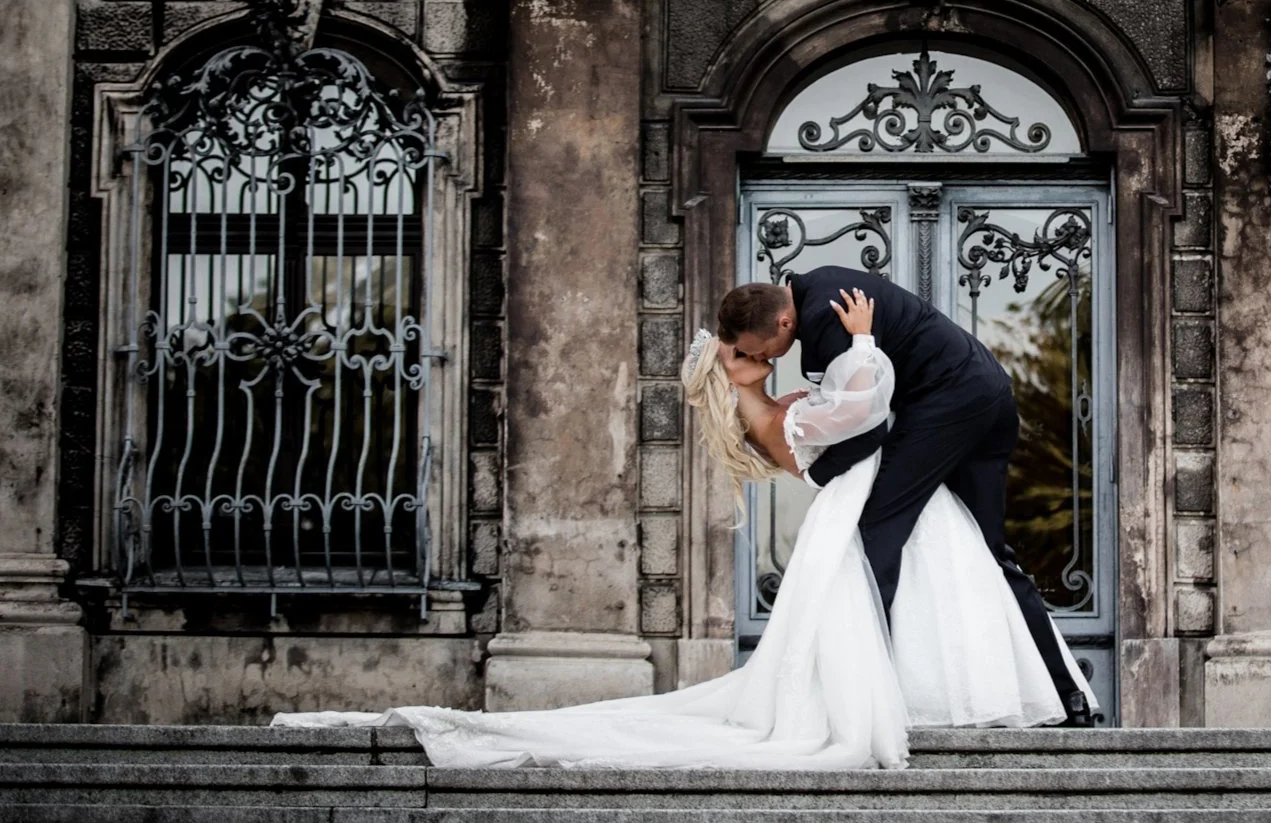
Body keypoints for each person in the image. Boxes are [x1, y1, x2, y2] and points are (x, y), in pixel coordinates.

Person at [271, 288, 1096, 769]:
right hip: (885, 475)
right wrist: (862, 338)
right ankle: (924, 689)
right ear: (733, 367)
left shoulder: (773, 406)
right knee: (904, 566)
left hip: (911, 463)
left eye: (751, 353)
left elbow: (859, 415)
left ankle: (947, 689)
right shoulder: (784, 417)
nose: (757, 361)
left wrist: (771, 375)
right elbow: (866, 398)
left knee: (947, 568)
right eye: (743, 359)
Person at [719, 266, 1098, 728]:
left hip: (947, 406)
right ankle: (1068, 696)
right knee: (992, 552)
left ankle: (873, 699)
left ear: (783, 323)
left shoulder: (824, 318)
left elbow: (869, 426)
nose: (765, 359)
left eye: (759, 349)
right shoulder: (818, 284)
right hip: (989, 393)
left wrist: (820, 472)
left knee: (873, 539)